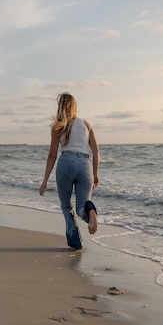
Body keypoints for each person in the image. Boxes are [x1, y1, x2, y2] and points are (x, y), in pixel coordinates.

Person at [39, 92, 99, 251]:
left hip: (66, 163)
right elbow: (96, 151)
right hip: (85, 164)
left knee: (66, 206)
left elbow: (52, 155)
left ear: (60, 107)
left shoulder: (58, 127)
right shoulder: (86, 124)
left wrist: (45, 180)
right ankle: (90, 212)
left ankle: (75, 243)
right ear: (74, 106)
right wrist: (95, 173)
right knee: (81, 207)